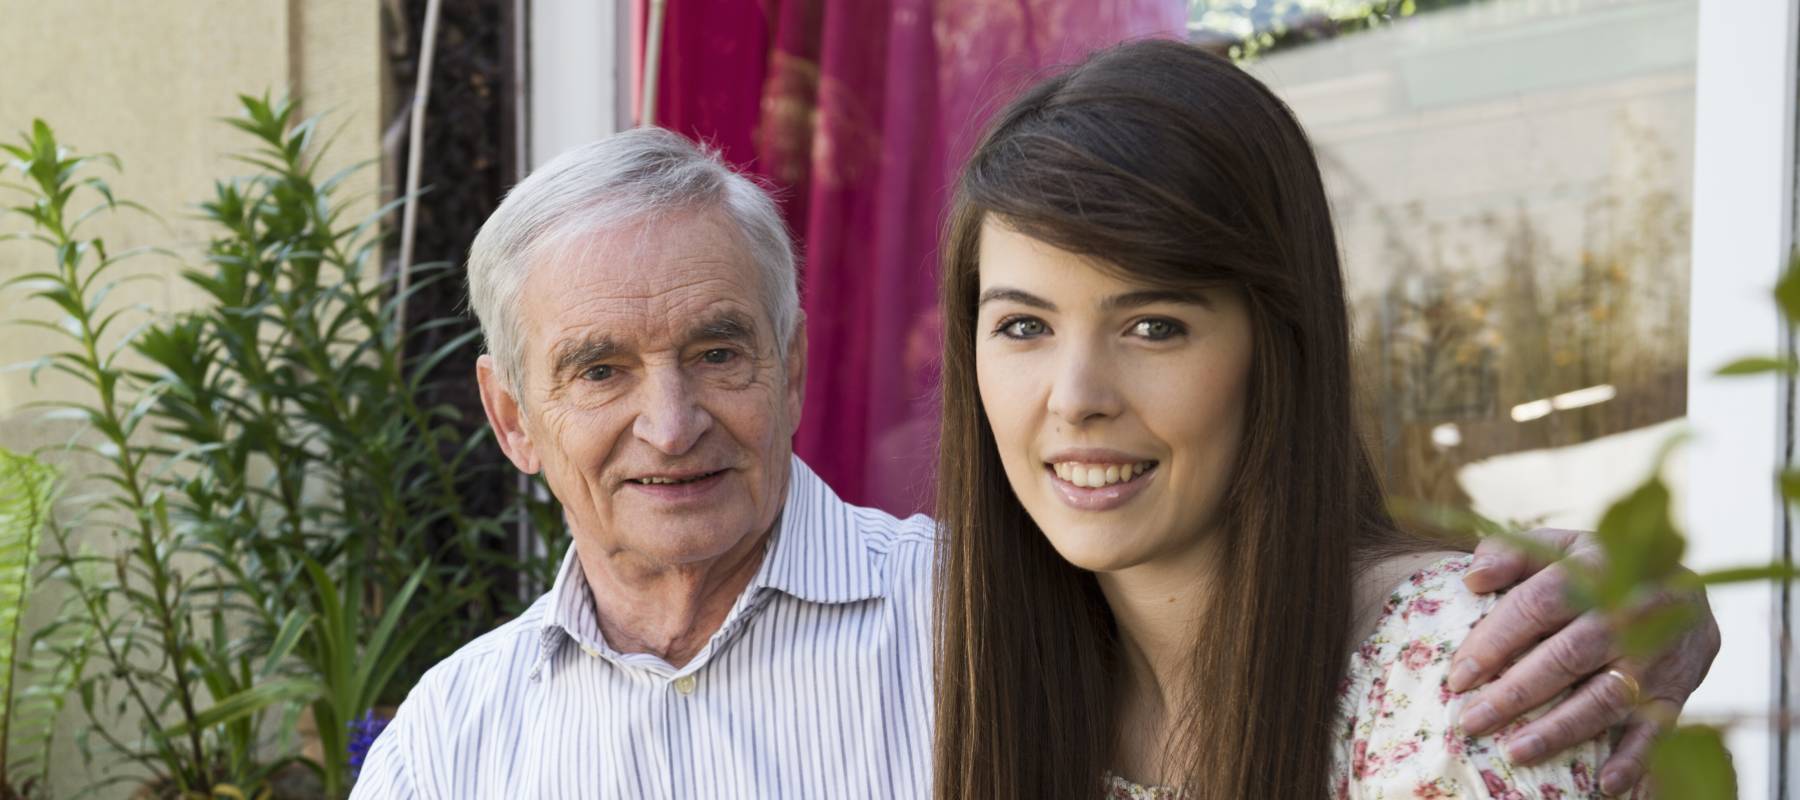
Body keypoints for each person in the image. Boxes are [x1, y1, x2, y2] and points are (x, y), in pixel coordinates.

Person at [352, 122, 1714, 797]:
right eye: (598, 371)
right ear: (512, 416)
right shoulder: (446, 749)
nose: (671, 423)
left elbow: (1287, 614)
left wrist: (1640, 603)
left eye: (718, 351)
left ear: (795, 364)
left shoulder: (1004, 604)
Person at [930, 39, 1708, 800]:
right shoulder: (978, 658)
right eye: (1024, 327)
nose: (1076, 397)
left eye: (1154, 326)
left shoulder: (1455, 684)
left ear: (1280, 346)